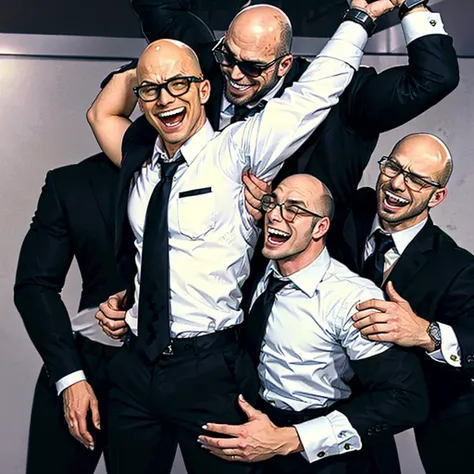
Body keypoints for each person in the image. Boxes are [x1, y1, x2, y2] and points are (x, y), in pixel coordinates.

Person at [88, 9, 389, 473]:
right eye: (152, 91)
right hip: (133, 369)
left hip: (208, 370)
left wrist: (360, 18)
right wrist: (146, 70)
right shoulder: (138, 161)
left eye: (179, 85)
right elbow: (99, 113)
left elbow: (317, 91)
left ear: (204, 88)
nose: (165, 100)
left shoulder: (239, 150)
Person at [120, 0, 459, 218]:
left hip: (293, 296)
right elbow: (157, 7)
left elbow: (435, 76)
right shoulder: (202, 66)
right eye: (229, 58)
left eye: (253, 67)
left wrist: (410, 4)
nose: (235, 75)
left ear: (284, 65)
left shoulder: (345, 99)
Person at [197, 174, 429, 474]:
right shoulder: (257, 269)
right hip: (261, 443)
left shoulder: (350, 298)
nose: (275, 216)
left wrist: (291, 439)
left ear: (321, 227)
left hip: (328, 455)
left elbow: (406, 399)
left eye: (294, 209)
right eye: (274, 202)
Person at [329, 133, 474, 474]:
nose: (397, 184)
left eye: (417, 180)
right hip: (343, 395)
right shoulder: (354, 209)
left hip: (428, 397)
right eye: (393, 167)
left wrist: (425, 333)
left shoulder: (455, 266)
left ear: (437, 196)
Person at [13, 153, 124, 474]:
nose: (163, 101)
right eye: (148, 96)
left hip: (176, 370)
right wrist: (70, 377)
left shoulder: (217, 171)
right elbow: (34, 284)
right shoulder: (72, 182)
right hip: (84, 363)